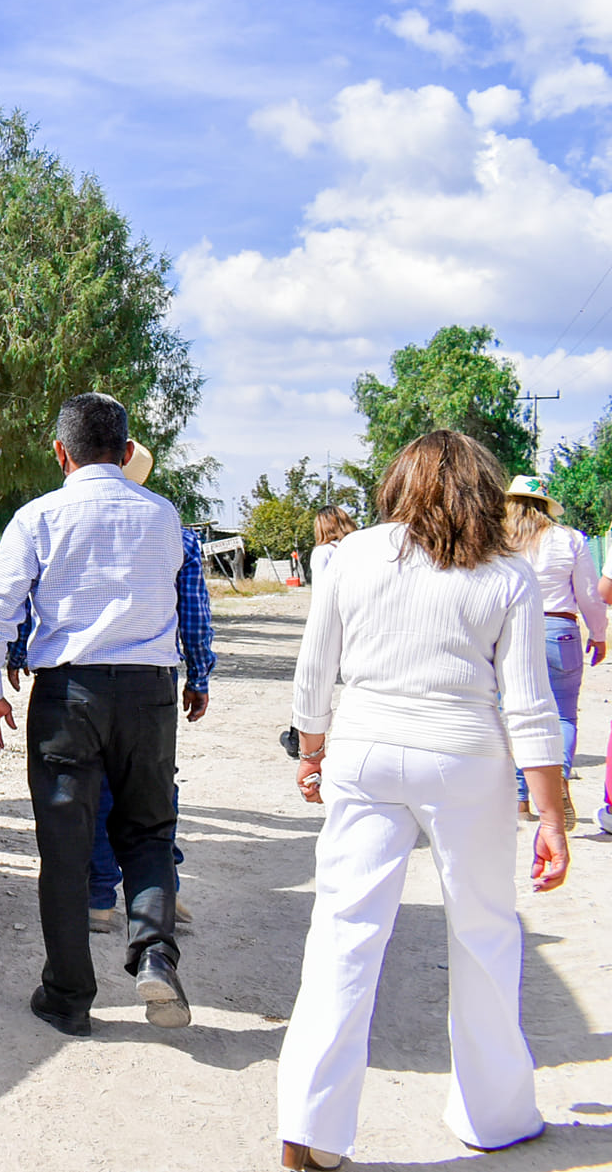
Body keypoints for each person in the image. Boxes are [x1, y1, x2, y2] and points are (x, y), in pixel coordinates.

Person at [277, 431, 568, 1171]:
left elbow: (316, 671)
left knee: (343, 931)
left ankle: (310, 1130)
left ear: (399, 483)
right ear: (484, 489)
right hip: (465, 754)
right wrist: (554, 815)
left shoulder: (351, 556)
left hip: (366, 749)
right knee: (484, 933)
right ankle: (493, 1114)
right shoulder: (508, 573)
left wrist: (312, 753)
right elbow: (530, 705)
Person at [0, 393, 196, 1036]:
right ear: (127, 454)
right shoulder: (162, 515)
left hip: (69, 695)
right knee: (149, 830)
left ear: (59, 452)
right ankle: (154, 952)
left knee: (66, 849)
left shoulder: (39, 516)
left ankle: (69, 997)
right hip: (150, 694)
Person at [3, 439, 213, 934]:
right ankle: (163, 902)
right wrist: (199, 675)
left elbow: (28, 598)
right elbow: (194, 614)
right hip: (148, 683)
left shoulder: (52, 517)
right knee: (152, 801)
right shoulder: (169, 529)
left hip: (72, 682)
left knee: (88, 793)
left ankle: (98, 900)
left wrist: (13, 655)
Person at [501, 476, 605, 830]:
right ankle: (559, 774)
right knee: (563, 714)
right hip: (560, 630)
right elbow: (589, 592)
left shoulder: (499, 538)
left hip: (512, 630)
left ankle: (520, 799)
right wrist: (600, 633)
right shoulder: (570, 539)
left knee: (517, 712)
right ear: (547, 505)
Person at [281, 506, 360, 761]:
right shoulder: (357, 551)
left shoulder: (322, 552)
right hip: (355, 621)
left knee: (313, 678)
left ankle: (299, 738)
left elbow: (322, 594)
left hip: (329, 620)